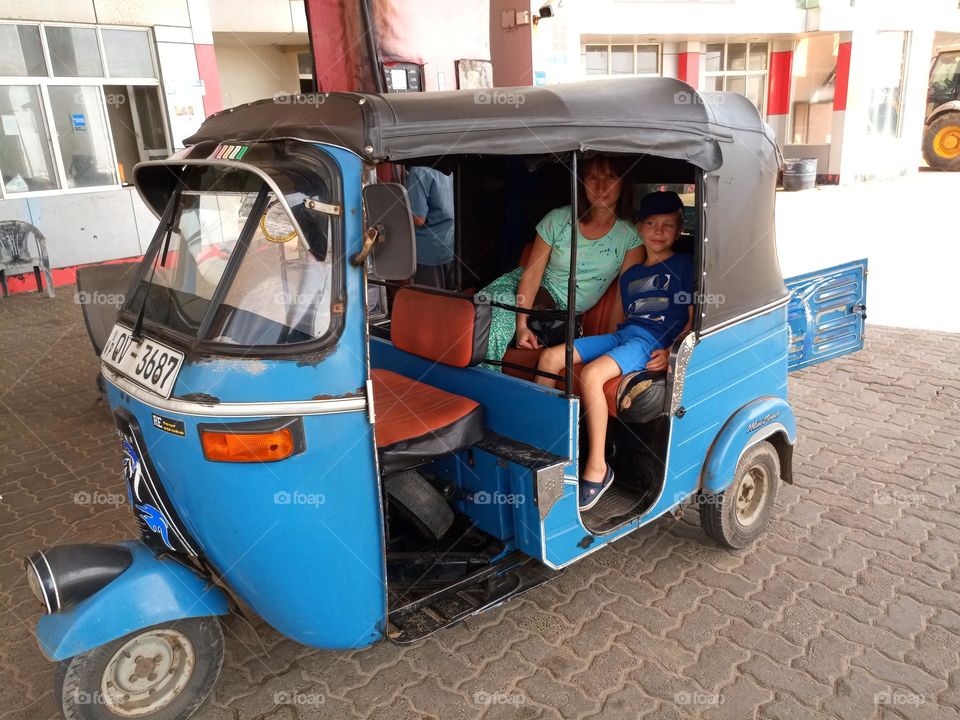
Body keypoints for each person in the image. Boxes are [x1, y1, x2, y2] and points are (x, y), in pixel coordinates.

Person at [535, 191, 694, 510]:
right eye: (651, 223)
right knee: (550, 357)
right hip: (623, 337)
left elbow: (691, 318)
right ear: (639, 228)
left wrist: (673, 350)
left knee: (593, 375)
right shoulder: (632, 274)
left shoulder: (683, 265)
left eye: (668, 225)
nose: (659, 231)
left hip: (648, 343)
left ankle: (598, 468)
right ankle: (544, 445)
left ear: (679, 231)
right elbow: (624, 318)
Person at [480, 155, 641, 369]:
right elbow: (531, 275)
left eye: (610, 177)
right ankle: (487, 390)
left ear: (623, 182)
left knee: (485, 321)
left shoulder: (630, 235)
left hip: (557, 315)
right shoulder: (558, 219)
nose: (601, 185)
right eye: (592, 177)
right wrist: (522, 325)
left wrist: (609, 343)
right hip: (522, 294)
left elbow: (623, 294)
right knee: (490, 315)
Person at [405, 165, 456, 289]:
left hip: (427, 252)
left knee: (430, 303)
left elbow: (418, 220)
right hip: (449, 245)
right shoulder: (449, 170)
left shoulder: (418, 171)